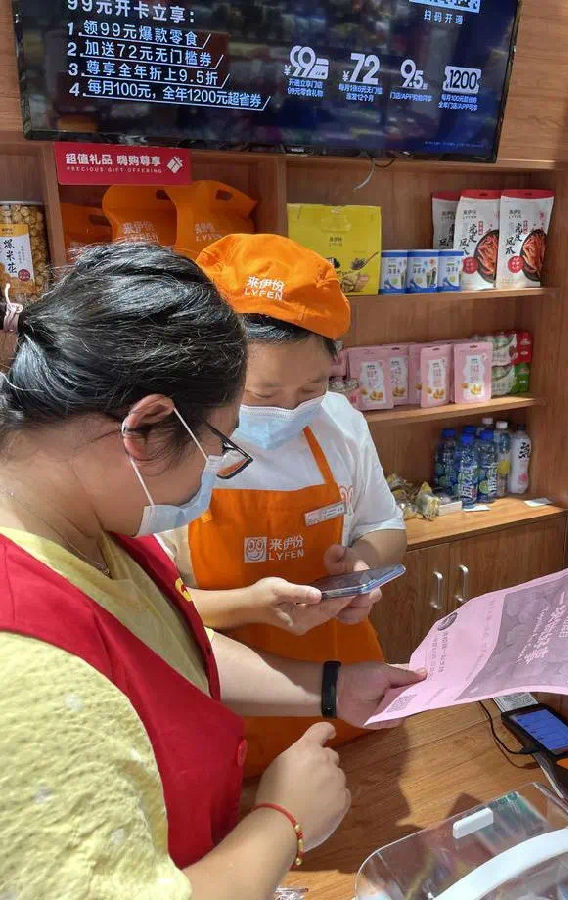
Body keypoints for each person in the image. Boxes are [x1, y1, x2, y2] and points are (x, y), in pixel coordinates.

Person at [0, 243, 424, 900]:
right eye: (220, 444)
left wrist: (333, 686)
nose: (217, 470)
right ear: (146, 428)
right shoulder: (25, 667)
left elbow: (170, 649)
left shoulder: (91, 527)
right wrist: (282, 823)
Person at [161, 234, 407, 776]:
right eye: (263, 395)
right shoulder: (171, 445)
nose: (289, 410)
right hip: (224, 714)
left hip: (348, 699)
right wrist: (250, 605)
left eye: (311, 388)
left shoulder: (340, 424)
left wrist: (362, 565)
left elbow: (385, 524)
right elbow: (150, 610)